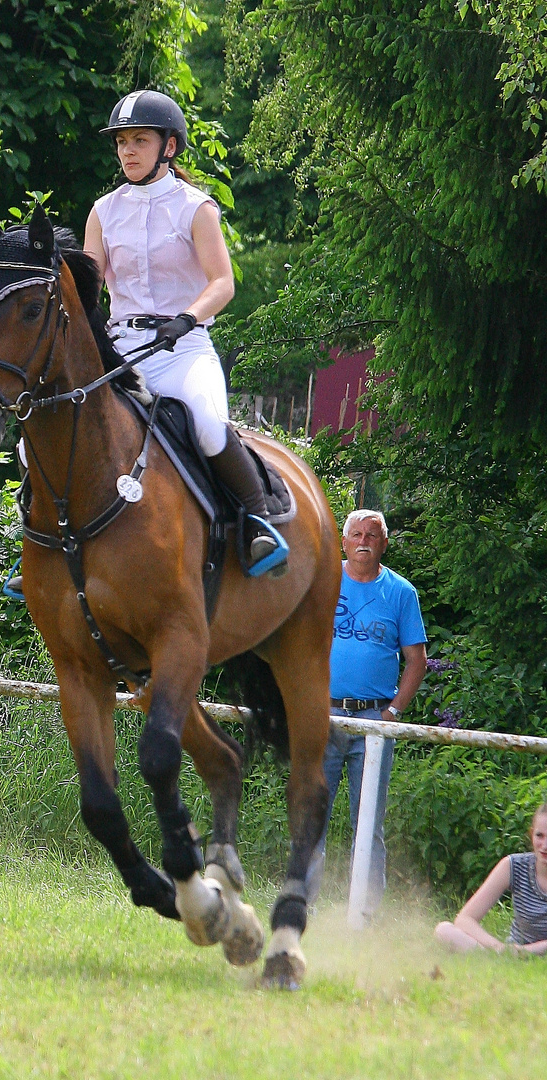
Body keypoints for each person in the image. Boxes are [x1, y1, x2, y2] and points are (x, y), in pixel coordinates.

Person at [82, 89, 288, 578]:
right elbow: (90, 286)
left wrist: (188, 317)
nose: (127, 151)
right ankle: (41, 540)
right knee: (48, 429)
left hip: (183, 348)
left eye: (139, 140)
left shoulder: (196, 208)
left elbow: (223, 282)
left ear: (168, 147)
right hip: (121, 351)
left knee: (208, 424)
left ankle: (257, 524)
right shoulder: (103, 211)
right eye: (121, 142)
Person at [309, 509, 427, 915]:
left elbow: (417, 660)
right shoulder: (323, 580)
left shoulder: (401, 593)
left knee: (368, 822)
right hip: (322, 715)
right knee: (312, 816)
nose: (363, 541)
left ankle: (365, 914)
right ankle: (300, 906)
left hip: (374, 721)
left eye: (372, 536)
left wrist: (392, 713)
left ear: (384, 544)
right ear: (343, 542)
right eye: (355, 534)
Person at [435, 804, 547, 954]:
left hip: (530, 951)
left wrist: (526, 952)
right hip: (509, 953)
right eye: (539, 836)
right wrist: (499, 949)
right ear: (531, 834)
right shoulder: (513, 865)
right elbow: (464, 919)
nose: (544, 846)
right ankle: (495, 957)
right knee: (443, 930)